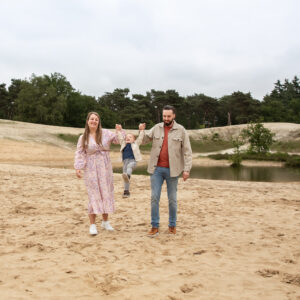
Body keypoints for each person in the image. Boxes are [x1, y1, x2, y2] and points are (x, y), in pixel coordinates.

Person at [140, 105, 192, 236]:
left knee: (172, 200)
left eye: (168, 116)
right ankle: (154, 226)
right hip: (156, 169)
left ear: (174, 116)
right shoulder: (156, 128)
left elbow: (187, 151)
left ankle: (172, 225)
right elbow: (144, 141)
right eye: (164, 116)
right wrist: (141, 131)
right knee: (154, 198)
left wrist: (186, 169)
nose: (166, 118)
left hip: (173, 171)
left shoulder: (181, 130)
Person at [74, 112, 121, 235]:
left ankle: (105, 222)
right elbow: (80, 152)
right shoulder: (83, 137)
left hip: (105, 167)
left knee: (106, 192)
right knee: (93, 194)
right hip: (91, 168)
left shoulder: (105, 133)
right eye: (92, 119)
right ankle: (92, 225)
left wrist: (119, 131)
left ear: (99, 122)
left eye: (96, 119)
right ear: (88, 121)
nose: (94, 121)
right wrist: (78, 167)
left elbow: (117, 140)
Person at [115, 125, 144, 198]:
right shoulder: (123, 143)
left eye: (130, 137)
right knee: (126, 178)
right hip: (125, 162)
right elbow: (120, 137)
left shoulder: (135, 144)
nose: (128, 138)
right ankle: (126, 191)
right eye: (127, 137)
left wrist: (141, 130)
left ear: (134, 140)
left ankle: (128, 175)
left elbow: (140, 138)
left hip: (133, 161)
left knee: (129, 166)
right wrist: (118, 130)